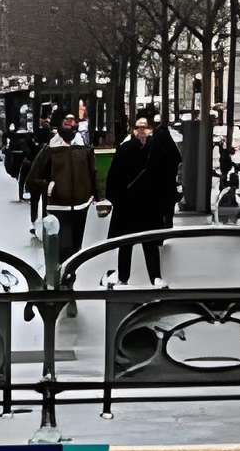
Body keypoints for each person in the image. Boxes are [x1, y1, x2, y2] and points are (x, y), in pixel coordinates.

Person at [26, 121, 99, 315]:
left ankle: (64, 290)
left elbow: (92, 173)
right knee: (63, 251)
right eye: (66, 122)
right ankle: (61, 293)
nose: (70, 126)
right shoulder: (50, 150)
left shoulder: (83, 148)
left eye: (73, 122)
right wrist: (49, 186)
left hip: (80, 208)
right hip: (58, 209)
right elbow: (31, 180)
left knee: (75, 253)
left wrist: (98, 197)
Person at [102, 109, 181, 282]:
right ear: (133, 129)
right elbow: (114, 178)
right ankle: (127, 278)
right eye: (138, 127)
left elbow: (169, 169)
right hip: (130, 206)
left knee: (147, 245)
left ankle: (152, 278)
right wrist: (118, 199)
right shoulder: (127, 150)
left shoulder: (156, 149)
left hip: (146, 206)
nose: (141, 131)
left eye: (144, 127)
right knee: (128, 245)